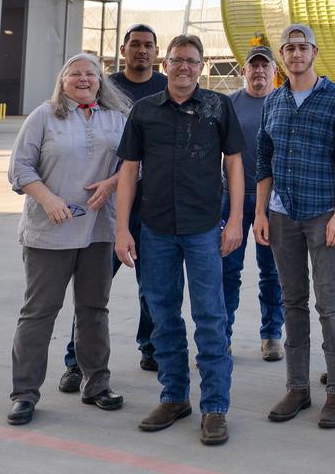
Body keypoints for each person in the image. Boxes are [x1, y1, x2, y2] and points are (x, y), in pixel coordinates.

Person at [115, 34, 246, 446]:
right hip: (155, 230)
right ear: (164, 65)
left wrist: (235, 221)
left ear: (202, 65)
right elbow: (128, 172)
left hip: (204, 229)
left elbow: (236, 165)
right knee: (163, 316)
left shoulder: (217, 107)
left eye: (191, 61)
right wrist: (122, 229)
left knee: (211, 318)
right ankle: (174, 397)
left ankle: (215, 407)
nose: (183, 67)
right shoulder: (143, 111)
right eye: (176, 60)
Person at [5, 54, 131, 426]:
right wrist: (48, 199)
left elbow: (132, 164)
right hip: (49, 232)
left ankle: (96, 385)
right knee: (39, 313)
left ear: (100, 81)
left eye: (90, 73)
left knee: (94, 310)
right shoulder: (44, 116)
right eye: (74, 73)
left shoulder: (116, 118)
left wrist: (111, 183)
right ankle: (24, 394)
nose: (83, 78)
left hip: (98, 231)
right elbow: (20, 168)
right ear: (62, 82)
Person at [254, 24, 335, 430]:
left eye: (302, 47)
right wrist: (261, 212)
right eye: (289, 48)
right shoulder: (274, 102)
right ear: (282, 55)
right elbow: (264, 160)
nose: (296, 53)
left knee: (330, 304)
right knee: (292, 302)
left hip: (322, 215)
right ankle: (297, 387)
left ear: (314, 53)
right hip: (282, 215)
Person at [59, 23, 164, 395]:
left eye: (148, 45)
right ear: (123, 50)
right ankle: (75, 361)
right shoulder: (106, 87)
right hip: (107, 206)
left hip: (151, 204)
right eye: (134, 45)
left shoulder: (166, 88)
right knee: (93, 289)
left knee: (154, 285)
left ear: (156, 51)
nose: (141, 51)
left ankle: (152, 348)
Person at [223, 45, 285, 361]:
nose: (259, 71)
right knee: (228, 269)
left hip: (273, 201)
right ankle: (222, 336)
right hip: (232, 198)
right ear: (244, 71)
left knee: (271, 271)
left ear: (275, 71)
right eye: (253, 66)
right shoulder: (229, 103)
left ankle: (272, 334)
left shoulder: (283, 102)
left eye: (265, 66)